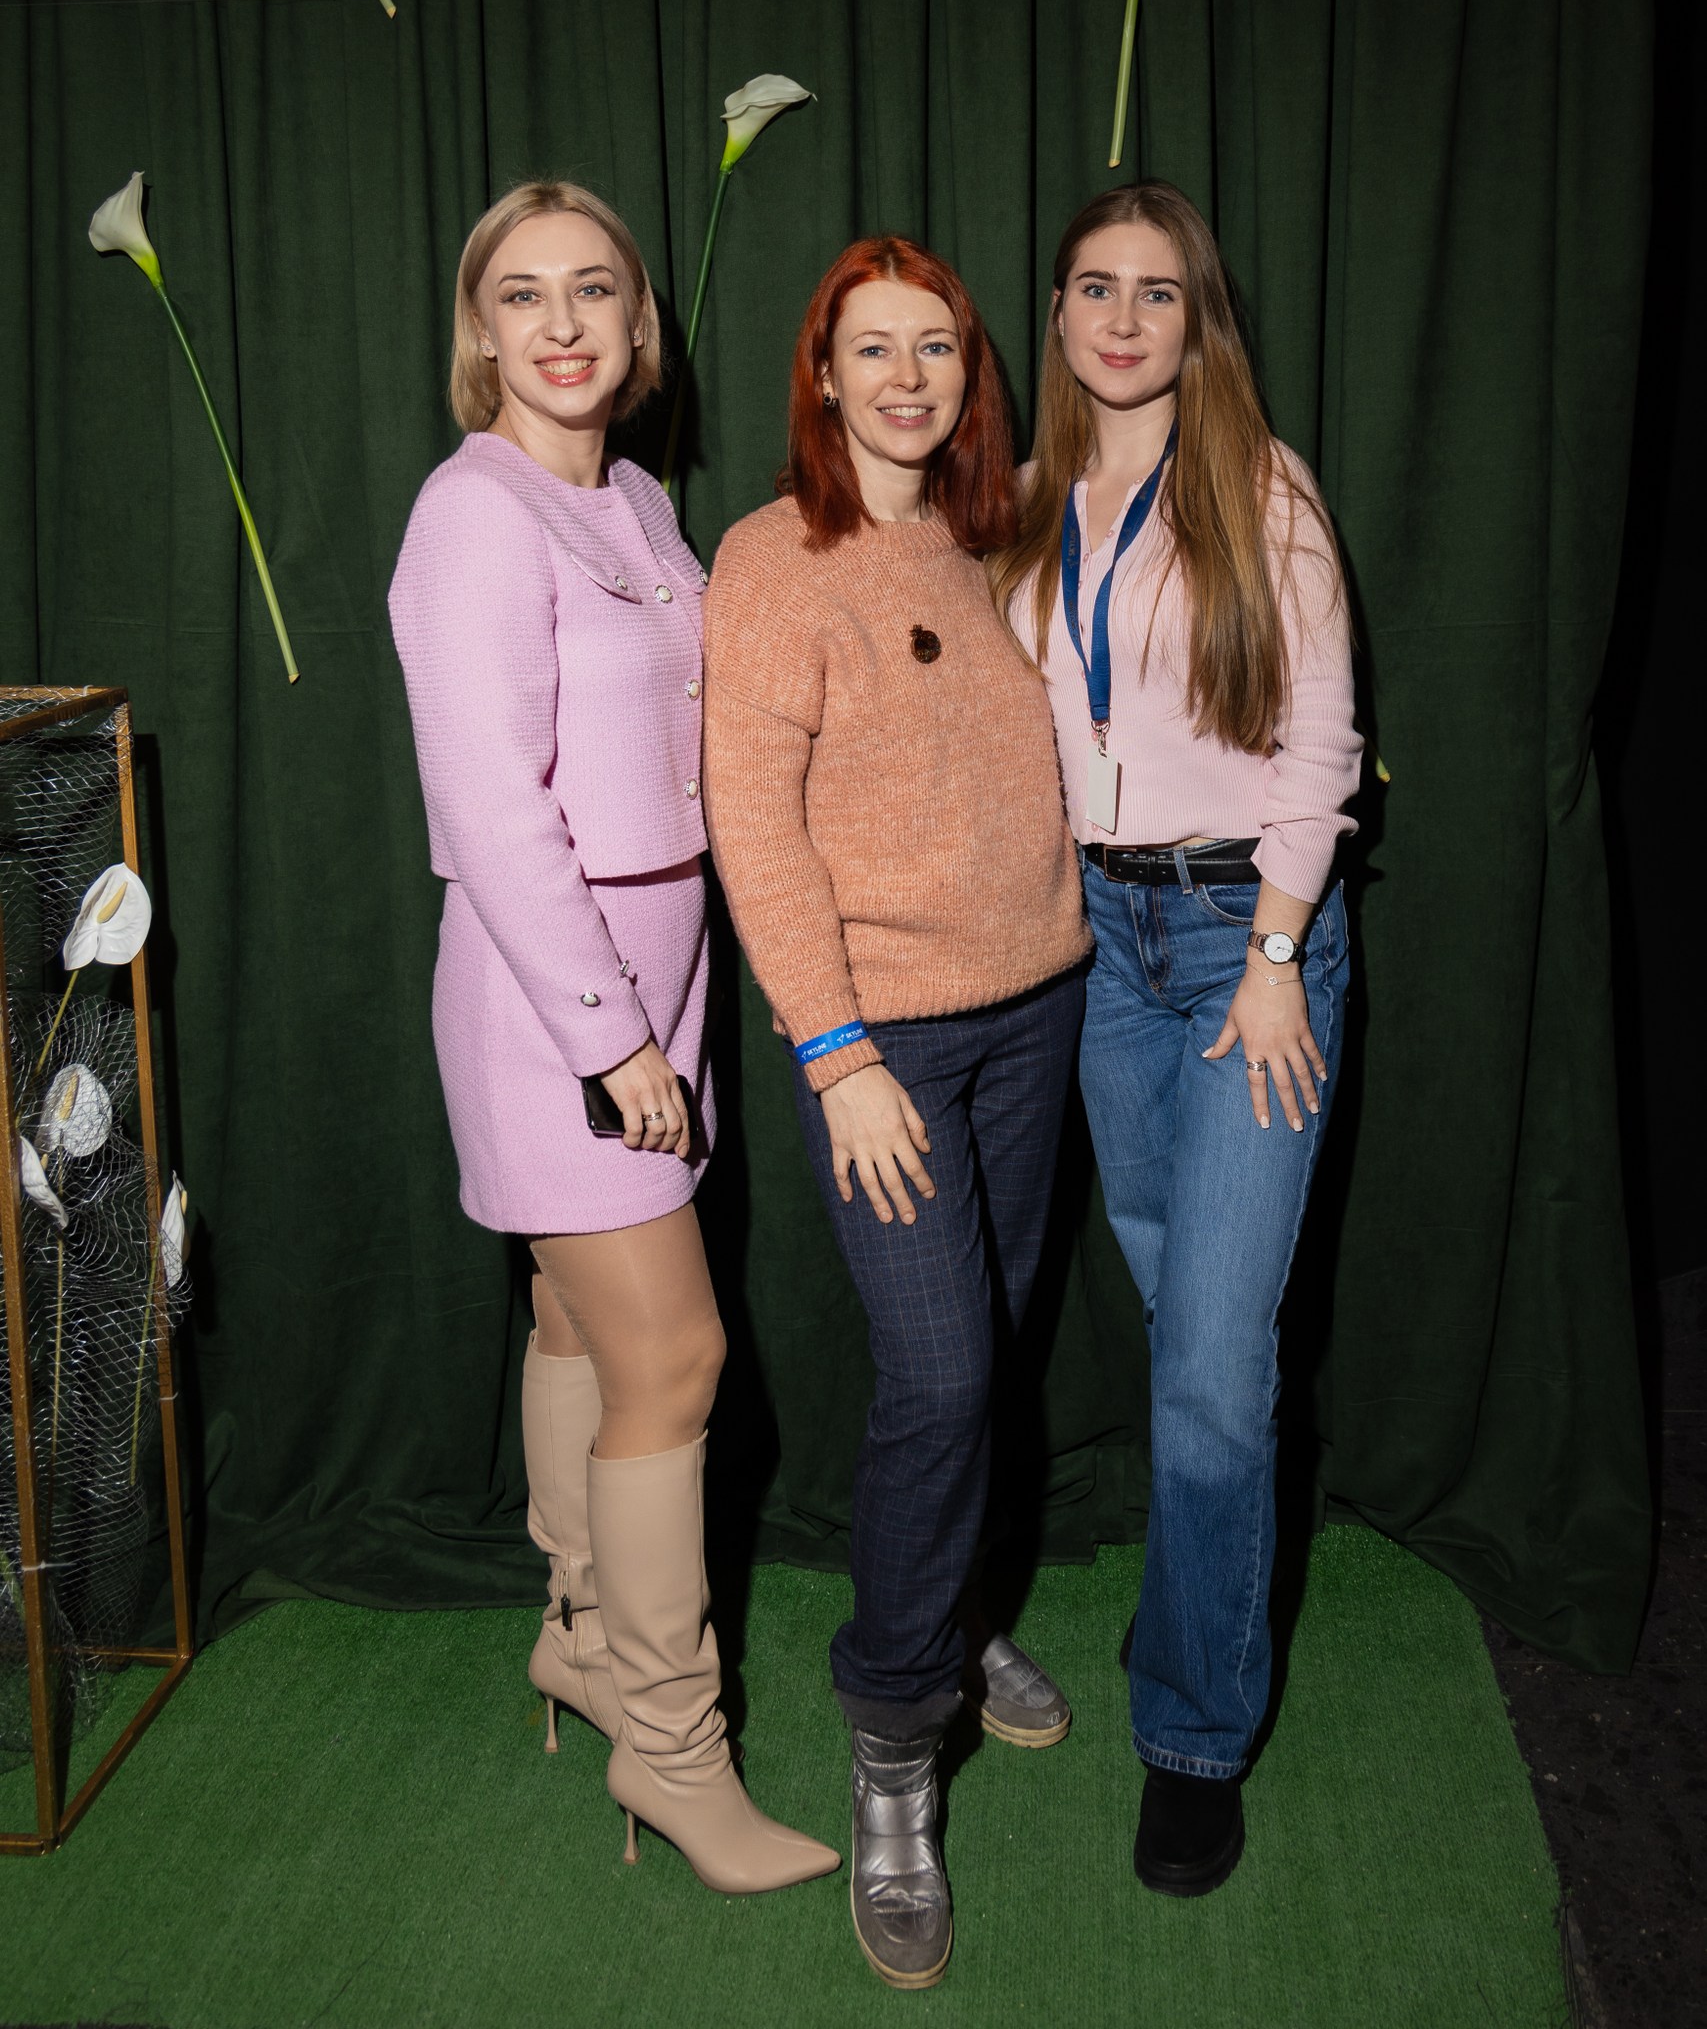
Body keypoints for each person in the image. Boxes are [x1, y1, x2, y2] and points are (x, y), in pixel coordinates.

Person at [388, 179, 837, 1898]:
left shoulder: (635, 497)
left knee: (577, 1311)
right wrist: (609, 1035)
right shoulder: (472, 515)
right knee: (679, 1361)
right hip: (556, 991)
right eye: (522, 294)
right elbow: (494, 810)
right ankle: (673, 1747)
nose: (562, 323)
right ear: (479, 331)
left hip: (665, 963)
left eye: (594, 290)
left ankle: (578, 1628)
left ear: (642, 325)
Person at [701, 236, 1092, 1990]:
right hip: (890, 1047)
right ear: (823, 373)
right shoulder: (772, 559)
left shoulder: (996, 541)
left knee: (991, 1357)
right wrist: (839, 1054)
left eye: (937, 347)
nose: (909, 377)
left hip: (1041, 1008)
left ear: (968, 374)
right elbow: (756, 828)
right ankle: (892, 1740)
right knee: (936, 1376)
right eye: (874, 348)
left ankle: (956, 1612)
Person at [990, 179, 1361, 1897]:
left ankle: (1195, 1732)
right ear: (1060, 313)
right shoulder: (1023, 506)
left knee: (1213, 1359)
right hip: (1096, 947)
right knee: (1182, 1321)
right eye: (1095, 287)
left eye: (1157, 291)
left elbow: (1322, 746)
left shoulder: (1262, 489)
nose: (1123, 318)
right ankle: (1204, 1605)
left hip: (1241, 944)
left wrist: (1278, 956)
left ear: (1198, 317)